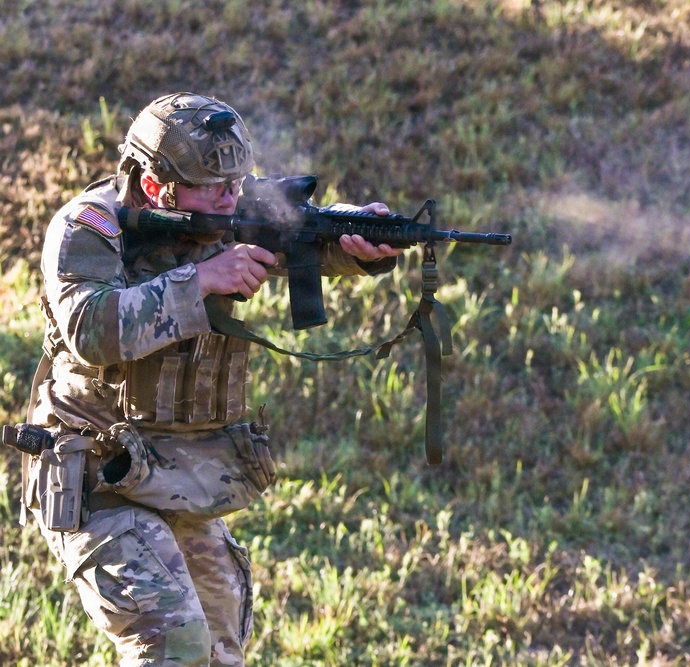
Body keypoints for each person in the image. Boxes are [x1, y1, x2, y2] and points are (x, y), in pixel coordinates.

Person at [20, 92, 403, 666]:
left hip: (177, 472)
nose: (233, 198)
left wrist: (360, 243)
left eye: (239, 181)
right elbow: (90, 330)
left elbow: (305, 236)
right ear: (156, 188)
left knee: (221, 651)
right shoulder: (89, 229)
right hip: (96, 470)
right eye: (216, 187)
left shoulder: (227, 203)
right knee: (175, 648)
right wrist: (199, 281)